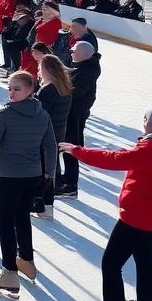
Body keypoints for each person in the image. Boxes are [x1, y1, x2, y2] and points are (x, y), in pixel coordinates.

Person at [61, 105, 152, 301]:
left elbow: (113, 159)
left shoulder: (150, 150)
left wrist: (77, 151)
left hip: (136, 217)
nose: (143, 122)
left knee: (111, 265)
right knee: (144, 255)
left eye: (146, 119)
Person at [0, 71, 58, 297]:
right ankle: (26, 261)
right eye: (9, 88)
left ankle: (9, 273)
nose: (11, 92)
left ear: (30, 89)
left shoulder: (6, 114)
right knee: (22, 218)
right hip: (33, 176)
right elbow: (50, 145)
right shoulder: (42, 113)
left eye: (17, 88)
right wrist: (49, 172)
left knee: (6, 224)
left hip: (10, 178)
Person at [56, 41, 101, 199]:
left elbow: (75, 92)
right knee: (67, 148)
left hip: (74, 116)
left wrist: (57, 87)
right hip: (72, 114)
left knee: (71, 149)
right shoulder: (83, 67)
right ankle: (65, 181)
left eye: (73, 50)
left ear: (83, 54)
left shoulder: (87, 71)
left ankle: (70, 186)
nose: (71, 52)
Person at [33, 54, 73, 217]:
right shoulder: (65, 88)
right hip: (58, 134)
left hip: (44, 137)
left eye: (40, 67)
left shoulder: (48, 90)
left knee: (41, 173)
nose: (38, 70)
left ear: (47, 70)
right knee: (50, 172)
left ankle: (40, 206)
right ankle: (47, 208)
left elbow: (38, 114)